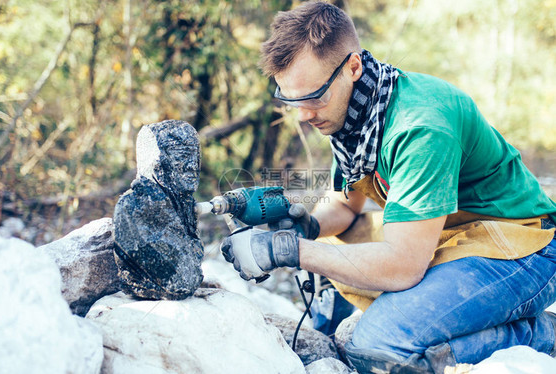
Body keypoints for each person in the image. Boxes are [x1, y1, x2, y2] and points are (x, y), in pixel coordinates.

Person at [220, 1, 556, 373]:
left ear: (352, 67)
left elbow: (403, 266)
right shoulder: (358, 116)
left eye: (313, 97)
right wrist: (308, 228)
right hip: (449, 234)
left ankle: (541, 336)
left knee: (378, 345)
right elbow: (346, 206)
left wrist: (289, 250)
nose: (303, 115)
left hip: (522, 246)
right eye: (290, 99)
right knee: (329, 241)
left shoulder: (419, 127)